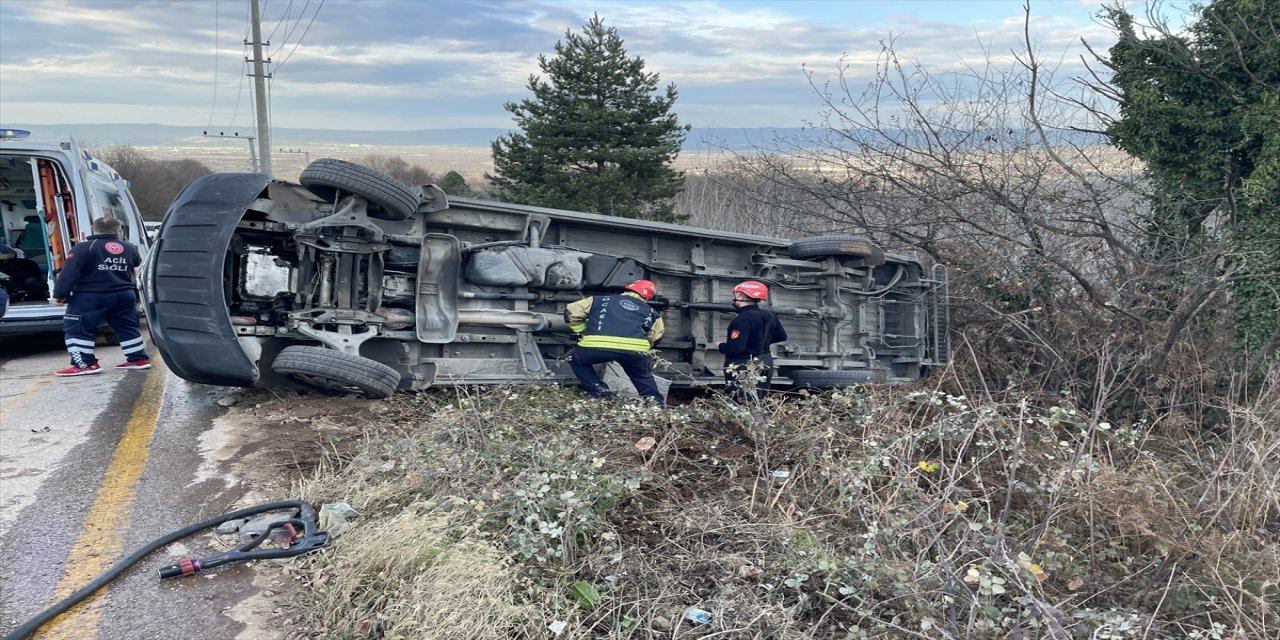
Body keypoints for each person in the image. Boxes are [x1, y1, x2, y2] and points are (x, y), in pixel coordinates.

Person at [50, 216, 151, 376]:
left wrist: (59, 295)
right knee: (127, 327)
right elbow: (136, 268)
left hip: (90, 296)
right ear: (118, 230)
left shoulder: (83, 248)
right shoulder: (129, 248)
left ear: (93, 228)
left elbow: (69, 274)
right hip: (124, 294)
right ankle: (138, 359)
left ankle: (84, 364)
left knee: (77, 328)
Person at [564, 279, 666, 404]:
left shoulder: (598, 300)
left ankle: (601, 394)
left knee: (575, 360)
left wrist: (582, 330)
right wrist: (645, 348)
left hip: (596, 346)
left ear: (627, 289)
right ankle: (656, 406)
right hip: (634, 351)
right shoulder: (651, 312)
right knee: (641, 376)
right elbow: (657, 335)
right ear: (647, 297)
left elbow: (570, 313)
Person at [717, 280, 787, 403]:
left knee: (740, 401)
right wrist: (761, 343)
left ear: (740, 296)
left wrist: (720, 346)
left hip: (744, 364)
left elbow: (736, 347)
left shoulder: (742, 319)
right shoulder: (769, 315)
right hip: (765, 361)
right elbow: (781, 336)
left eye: (736, 294)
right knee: (760, 400)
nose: (734, 297)